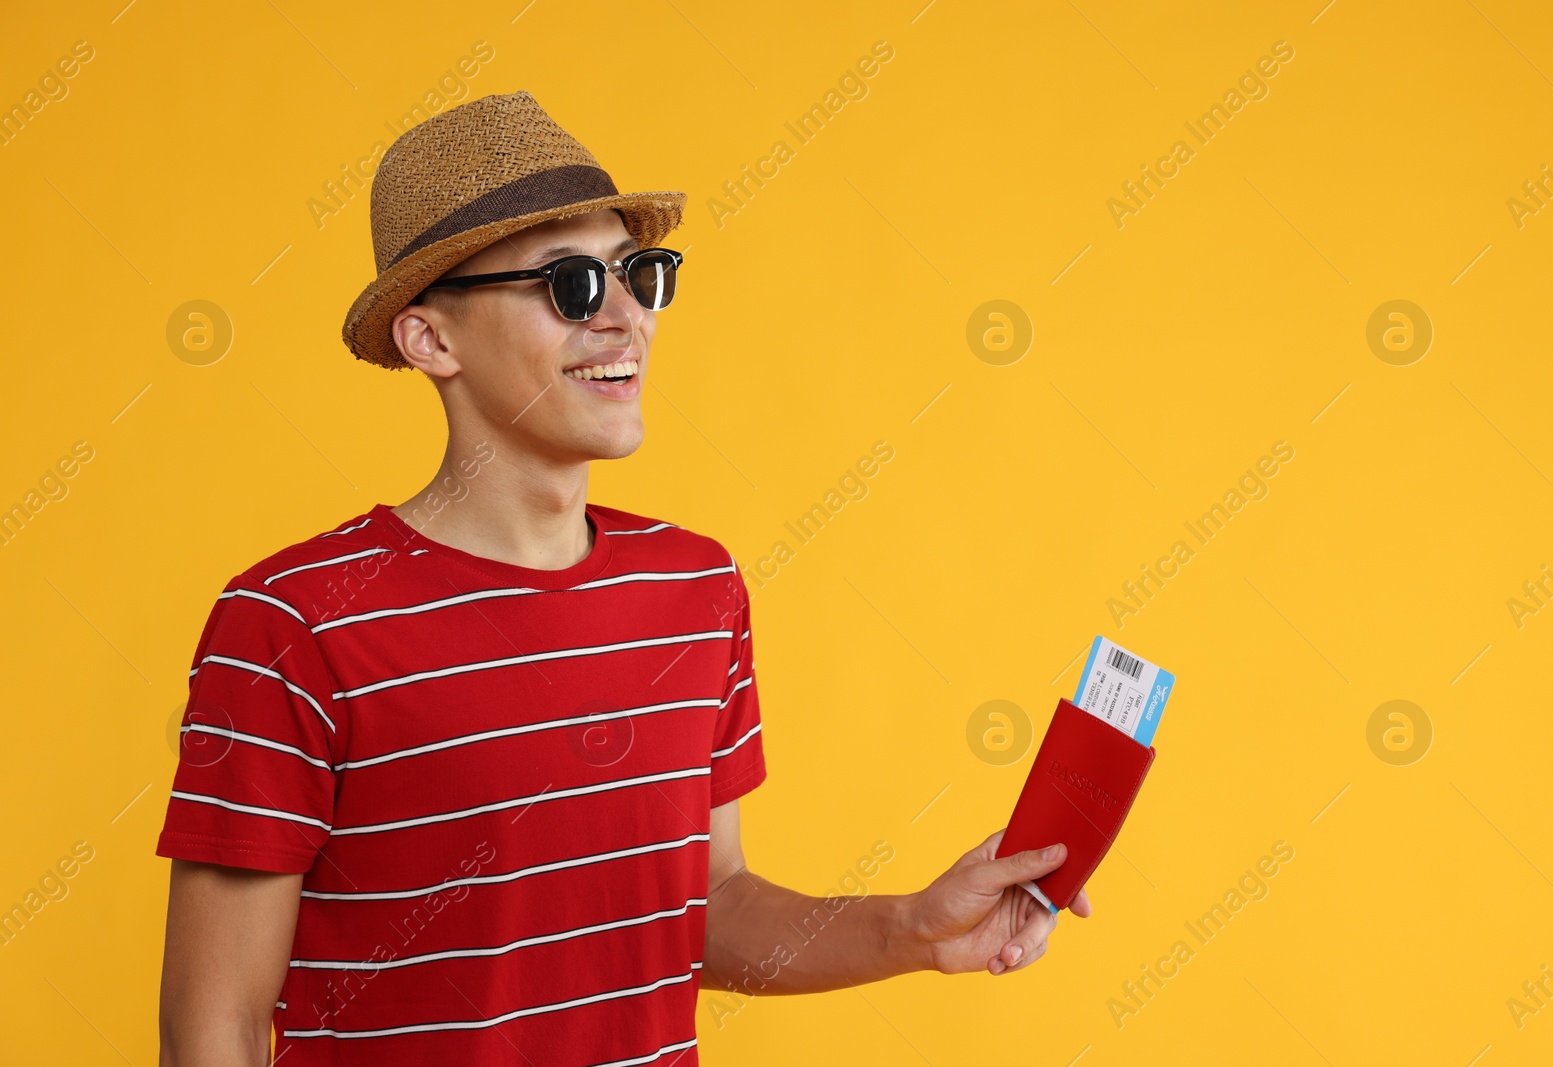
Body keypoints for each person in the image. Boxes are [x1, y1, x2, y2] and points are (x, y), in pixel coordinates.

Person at [154, 89, 1088, 1067]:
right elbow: (212, 1025)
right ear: (431, 339)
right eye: (567, 285)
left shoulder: (697, 587)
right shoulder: (293, 622)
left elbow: (707, 904)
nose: (624, 316)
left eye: (637, 273)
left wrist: (914, 926)